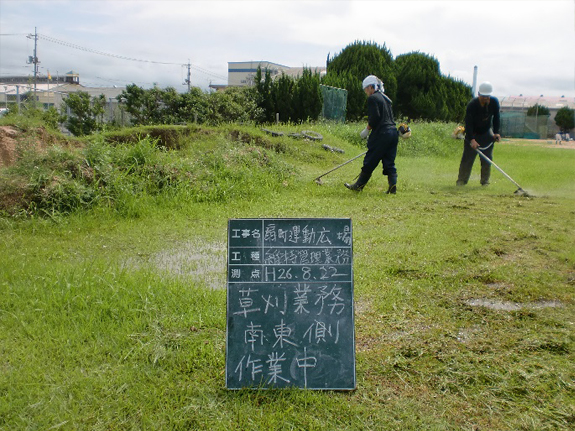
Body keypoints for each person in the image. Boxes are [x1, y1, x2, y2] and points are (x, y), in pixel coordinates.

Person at [345, 75, 399, 194]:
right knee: (389, 161)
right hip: (393, 133)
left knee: (370, 159)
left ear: (370, 87)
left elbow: (375, 118)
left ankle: (358, 186)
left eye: (365, 89)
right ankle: (392, 186)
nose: (366, 92)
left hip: (382, 133)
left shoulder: (373, 98)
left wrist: (367, 129)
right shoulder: (386, 99)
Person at [456, 81, 501, 186]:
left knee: (487, 159)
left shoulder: (494, 102)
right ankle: (462, 181)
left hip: (486, 132)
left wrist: (496, 133)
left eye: (487, 96)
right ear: (479, 94)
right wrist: (471, 139)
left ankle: (485, 181)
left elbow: (496, 118)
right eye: (483, 96)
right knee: (467, 159)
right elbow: (469, 123)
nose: (486, 98)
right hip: (473, 133)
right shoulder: (472, 105)